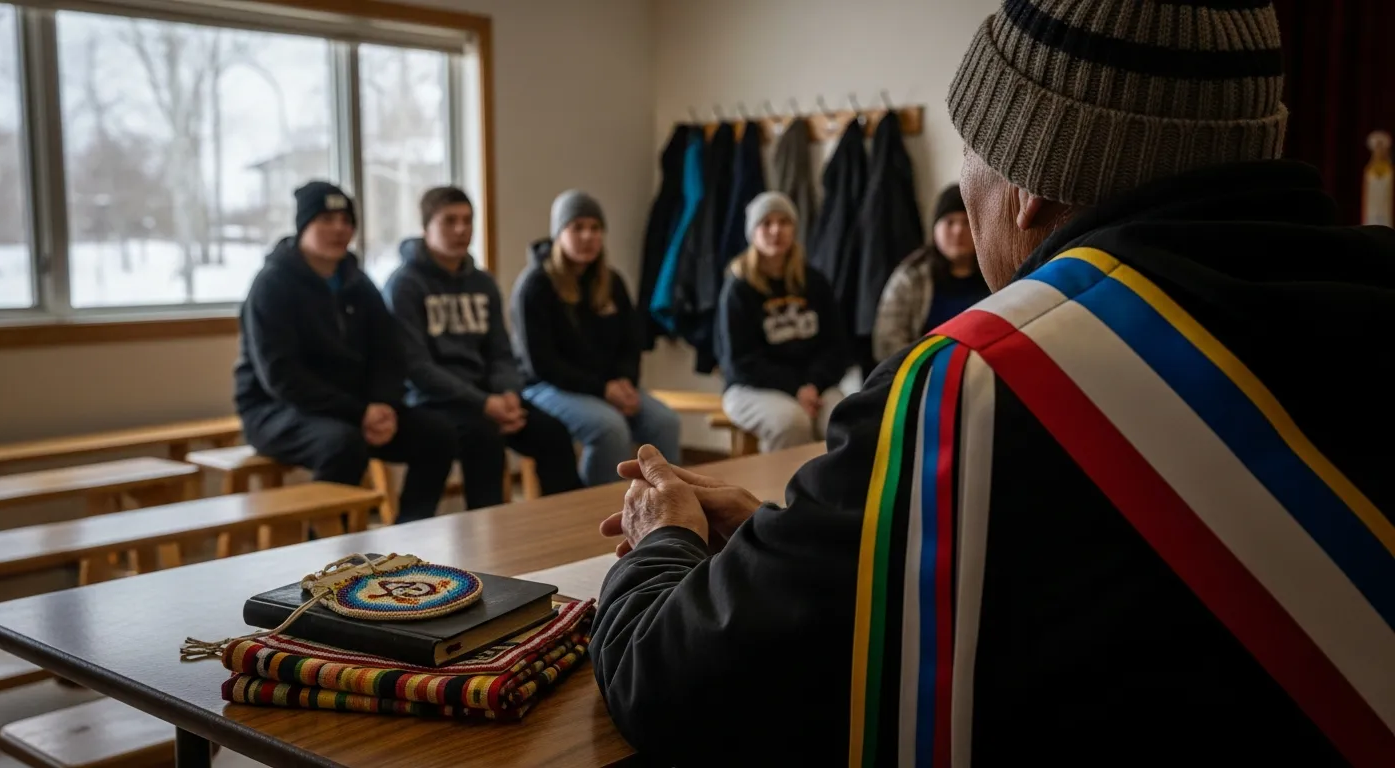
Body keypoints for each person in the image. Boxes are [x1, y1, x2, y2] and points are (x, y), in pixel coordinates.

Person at [589, 2, 1395, 766]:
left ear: (1030, 180)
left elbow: (669, 681)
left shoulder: (972, 388)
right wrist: (814, 539)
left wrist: (666, 538)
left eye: (970, 146)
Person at [234, 181, 460, 524]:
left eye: (346, 220)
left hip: (356, 409)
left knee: (438, 434)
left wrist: (383, 404)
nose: (339, 229)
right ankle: (326, 548)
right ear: (303, 226)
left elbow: (389, 354)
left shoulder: (358, 283)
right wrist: (359, 412)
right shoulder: (272, 285)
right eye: (326, 220)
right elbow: (282, 377)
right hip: (275, 410)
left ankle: (408, 534)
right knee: (342, 444)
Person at [381, 186, 582, 509]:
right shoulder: (404, 285)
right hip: (434, 401)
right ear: (426, 228)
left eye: (467, 220)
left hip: (489, 398)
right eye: (450, 221)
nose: (461, 229)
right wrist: (485, 404)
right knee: (483, 438)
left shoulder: (482, 282)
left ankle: (565, 522)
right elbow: (417, 367)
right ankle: (486, 532)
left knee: (552, 433)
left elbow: (501, 351)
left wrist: (507, 394)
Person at [511, 190, 681, 486]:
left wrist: (625, 382)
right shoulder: (535, 285)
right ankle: (599, 506)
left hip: (608, 386)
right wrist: (603, 390)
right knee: (609, 428)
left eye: (595, 228)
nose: (588, 236)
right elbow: (543, 363)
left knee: (665, 422)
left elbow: (631, 343)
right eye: (577, 228)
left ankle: (667, 501)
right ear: (559, 233)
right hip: (547, 386)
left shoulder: (612, 282)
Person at [716, 192, 849, 451]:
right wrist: (796, 388)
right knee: (791, 422)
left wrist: (813, 385)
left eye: (784, 222)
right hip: (751, 387)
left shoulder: (814, 282)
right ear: (753, 232)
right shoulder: (738, 288)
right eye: (766, 223)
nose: (776, 230)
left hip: (815, 385)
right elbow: (740, 361)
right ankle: (784, 480)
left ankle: (833, 479)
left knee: (843, 419)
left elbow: (836, 347)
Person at [871, 183, 989, 363]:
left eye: (966, 222)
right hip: (923, 371)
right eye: (950, 222)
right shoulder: (910, 276)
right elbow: (887, 341)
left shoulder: (996, 274)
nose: (958, 230)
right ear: (935, 228)